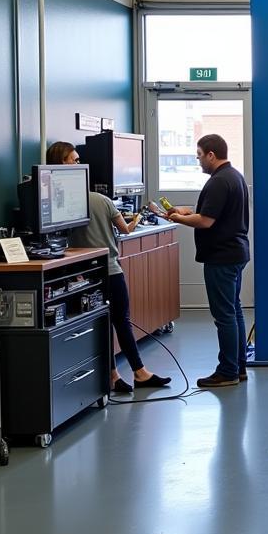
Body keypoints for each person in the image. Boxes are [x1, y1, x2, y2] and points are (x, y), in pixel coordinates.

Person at [45, 141, 171, 394]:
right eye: (74, 160)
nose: (79, 164)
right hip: (109, 269)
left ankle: (113, 375)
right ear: (62, 163)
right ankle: (140, 372)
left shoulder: (54, 202)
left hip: (80, 273)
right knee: (121, 321)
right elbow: (123, 230)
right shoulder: (100, 200)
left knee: (99, 321)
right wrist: (135, 219)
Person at [161, 134, 250, 389]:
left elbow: (206, 221)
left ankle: (227, 371)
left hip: (221, 257)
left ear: (211, 155)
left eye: (199, 155)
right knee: (234, 311)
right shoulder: (234, 177)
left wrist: (178, 219)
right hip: (236, 252)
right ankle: (238, 367)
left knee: (224, 316)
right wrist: (188, 211)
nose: (199, 161)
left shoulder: (219, 182)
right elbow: (211, 213)